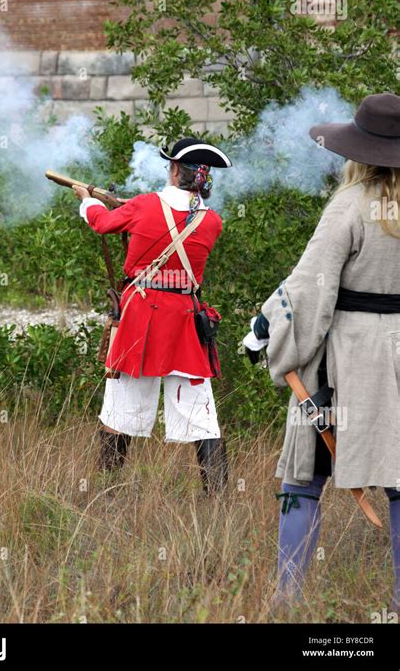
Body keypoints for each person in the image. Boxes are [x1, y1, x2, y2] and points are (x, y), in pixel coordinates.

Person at [244, 93, 400, 607]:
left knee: (304, 473)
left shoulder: (350, 205)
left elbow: (310, 288)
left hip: (345, 360)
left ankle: (287, 600)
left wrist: (267, 328)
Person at [74, 137, 232, 493]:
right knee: (201, 415)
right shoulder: (212, 222)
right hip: (186, 320)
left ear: (175, 169)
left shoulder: (145, 206)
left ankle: (106, 489)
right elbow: (173, 220)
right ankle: (218, 498)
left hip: (141, 316)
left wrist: (87, 202)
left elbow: (102, 223)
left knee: (120, 409)